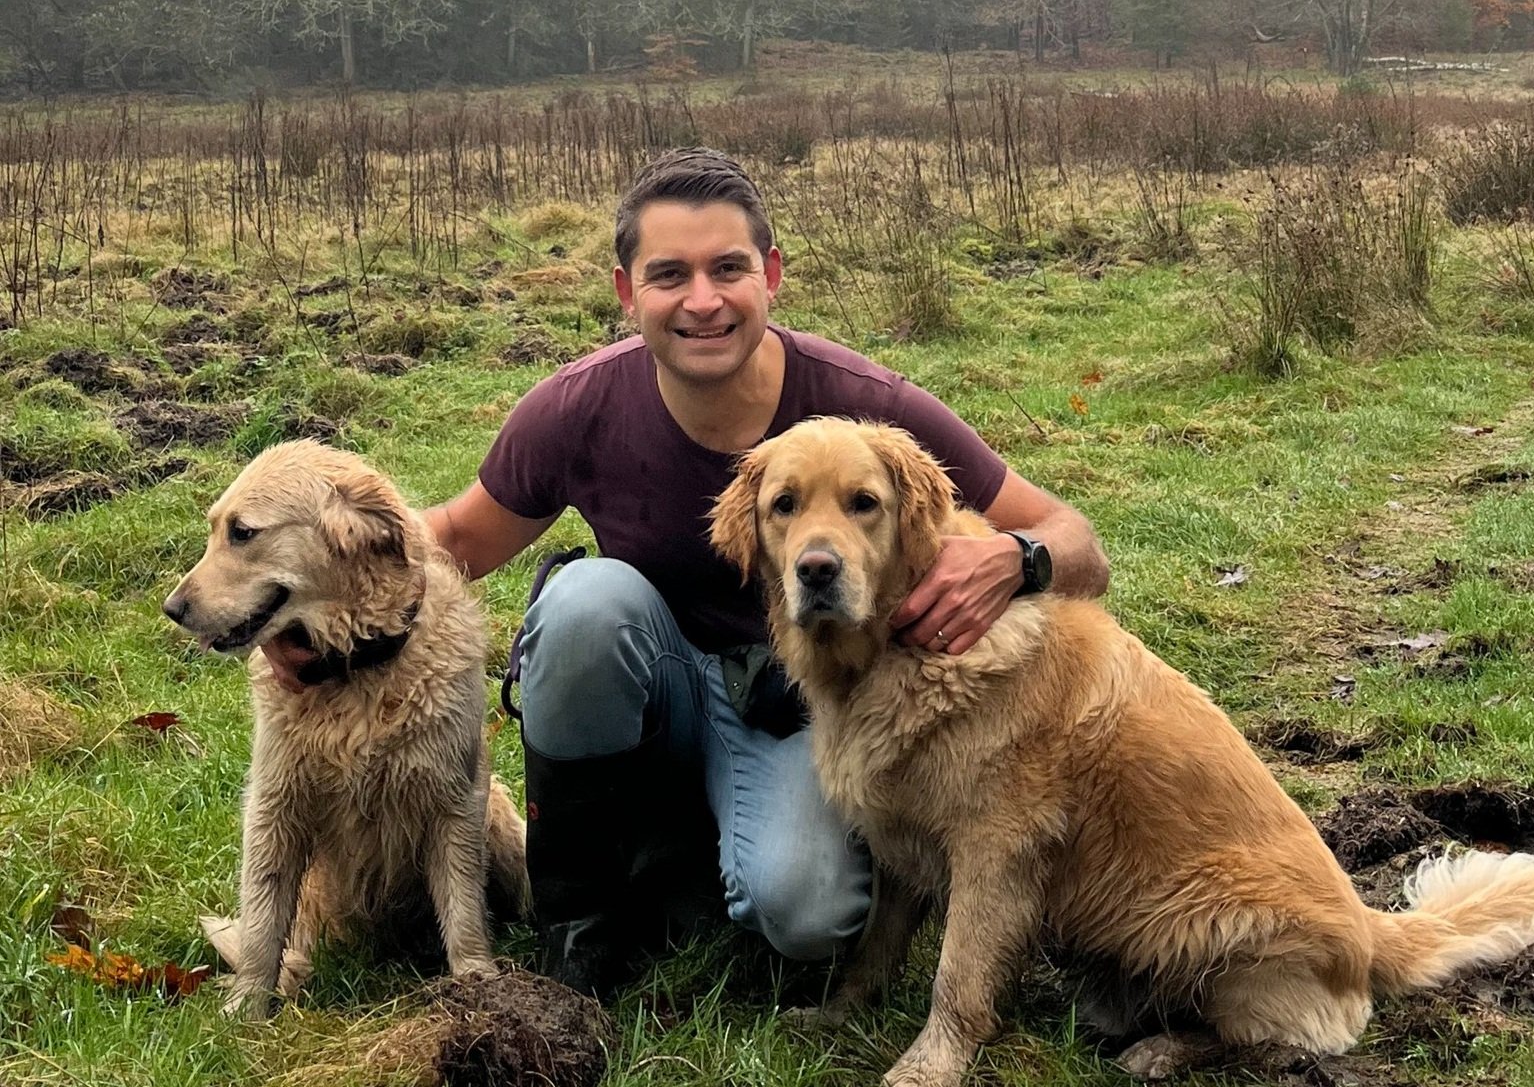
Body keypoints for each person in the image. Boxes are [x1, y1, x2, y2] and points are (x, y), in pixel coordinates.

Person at [425, 146, 1109, 994]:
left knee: (809, 913)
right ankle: (578, 920)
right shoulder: (577, 407)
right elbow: (453, 539)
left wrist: (1014, 557)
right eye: (669, 274)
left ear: (772, 274)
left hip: (793, 711)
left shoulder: (867, 411)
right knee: (584, 606)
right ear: (626, 291)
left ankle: (687, 861)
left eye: (729, 269)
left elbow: (1078, 543)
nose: (702, 301)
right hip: (653, 683)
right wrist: (312, 588)